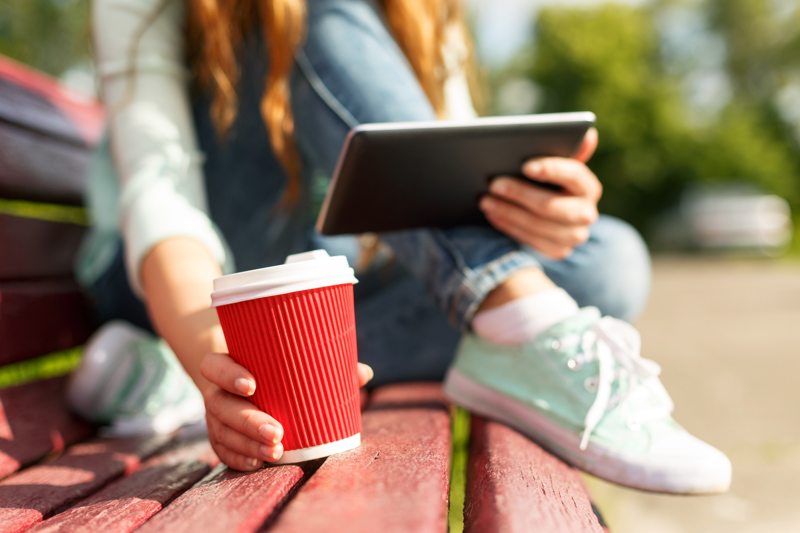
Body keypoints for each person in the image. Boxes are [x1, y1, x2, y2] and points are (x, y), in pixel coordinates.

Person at [77, 0, 731, 493]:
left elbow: (447, 190)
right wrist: (207, 349)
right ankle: (519, 321)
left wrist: (534, 211)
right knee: (309, 13)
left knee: (608, 256)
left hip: (320, 291)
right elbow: (160, 202)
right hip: (180, 282)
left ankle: (510, 318)